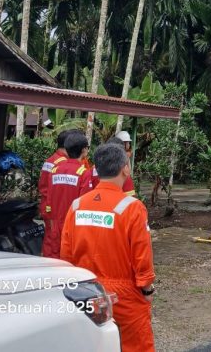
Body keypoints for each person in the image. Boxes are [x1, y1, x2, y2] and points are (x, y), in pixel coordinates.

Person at [61, 143, 156, 352]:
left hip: (86, 289)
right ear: (125, 169)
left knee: (91, 343)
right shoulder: (132, 207)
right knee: (135, 345)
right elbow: (142, 253)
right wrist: (147, 287)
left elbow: (66, 252)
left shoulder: (77, 205)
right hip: (123, 293)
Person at [42, 132, 93, 258]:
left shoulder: (55, 170)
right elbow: (84, 204)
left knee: (53, 256)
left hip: (55, 222)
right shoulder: (83, 173)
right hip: (72, 225)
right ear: (84, 150)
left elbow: (49, 197)